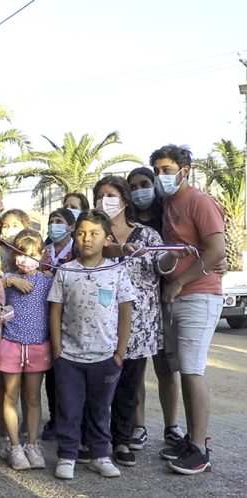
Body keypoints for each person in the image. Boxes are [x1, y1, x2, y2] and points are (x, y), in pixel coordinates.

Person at [150, 145, 225, 474]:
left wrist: (181, 282)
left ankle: (199, 448)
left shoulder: (198, 201)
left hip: (199, 296)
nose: (161, 176)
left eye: (167, 170)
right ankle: (191, 440)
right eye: (157, 171)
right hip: (176, 298)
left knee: (193, 371)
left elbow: (216, 250)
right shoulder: (168, 204)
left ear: (185, 170)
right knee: (178, 368)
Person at [92, 176, 175, 467]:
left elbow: (164, 265)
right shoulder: (93, 235)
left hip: (139, 327)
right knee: (99, 387)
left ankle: (122, 441)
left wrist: (168, 257)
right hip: (100, 326)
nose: (106, 200)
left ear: (125, 200)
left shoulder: (148, 235)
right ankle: (95, 440)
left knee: (128, 388)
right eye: (100, 196)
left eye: (112, 195)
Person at [47, 210, 135, 480]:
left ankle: (100, 455)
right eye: (82, 233)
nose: (87, 239)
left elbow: (125, 312)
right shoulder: (65, 271)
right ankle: (67, 455)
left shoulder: (117, 272)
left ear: (107, 239)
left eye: (94, 234)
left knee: (100, 409)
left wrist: (120, 353)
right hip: (70, 358)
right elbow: (55, 312)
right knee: (69, 408)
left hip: (105, 357)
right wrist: (58, 351)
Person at [126, 166, 183, 451]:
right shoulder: (127, 224)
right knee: (136, 368)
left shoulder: (169, 218)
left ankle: (172, 426)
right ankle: (139, 425)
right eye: (133, 187)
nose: (139, 191)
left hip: (166, 300)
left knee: (166, 366)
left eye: (144, 184)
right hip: (134, 307)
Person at [0, 229, 53, 471]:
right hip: (10, 344)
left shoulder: (47, 280)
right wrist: (9, 280)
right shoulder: (6, 278)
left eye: (30, 254)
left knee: (32, 397)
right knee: (10, 395)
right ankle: (15, 446)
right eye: (19, 253)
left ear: (41, 255)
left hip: (38, 345)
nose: (24, 259)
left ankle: (32, 444)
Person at [39, 208, 76, 440]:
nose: (55, 226)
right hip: (45, 316)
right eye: (52, 222)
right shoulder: (42, 252)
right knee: (52, 374)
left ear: (71, 227)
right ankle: (54, 419)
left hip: (70, 318)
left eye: (60, 222)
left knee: (70, 374)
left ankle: (71, 420)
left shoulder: (79, 252)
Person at [0, 209, 32, 274]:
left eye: (15, 226)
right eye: (5, 226)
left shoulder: (31, 250)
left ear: (25, 228)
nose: (9, 229)